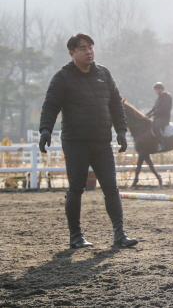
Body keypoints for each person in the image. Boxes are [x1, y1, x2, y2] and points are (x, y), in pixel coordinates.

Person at [39, 33, 138, 249]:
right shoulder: (62, 77)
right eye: (83, 48)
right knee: (76, 188)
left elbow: (115, 105)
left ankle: (119, 234)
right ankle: (76, 235)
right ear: (72, 53)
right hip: (76, 142)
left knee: (111, 187)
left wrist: (121, 131)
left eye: (91, 47)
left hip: (102, 141)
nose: (89, 51)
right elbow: (50, 106)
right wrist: (45, 129)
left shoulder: (104, 73)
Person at [146, 82, 173, 152]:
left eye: (157, 89)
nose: (156, 91)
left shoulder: (167, 97)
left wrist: (153, 114)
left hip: (164, 118)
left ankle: (162, 145)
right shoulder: (159, 98)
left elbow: (163, 108)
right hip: (157, 118)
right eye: (155, 90)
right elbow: (154, 108)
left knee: (156, 127)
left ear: (161, 89)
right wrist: (147, 115)